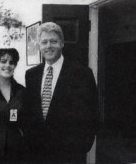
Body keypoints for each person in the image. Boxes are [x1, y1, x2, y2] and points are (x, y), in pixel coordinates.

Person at [22, 22, 99, 163]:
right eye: (44, 42)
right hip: (37, 154)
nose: (48, 46)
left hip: (70, 155)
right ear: (39, 45)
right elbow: (29, 113)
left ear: (62, 43)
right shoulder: (31, 75)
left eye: (53, 41)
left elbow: (93, 113)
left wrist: (82, 147)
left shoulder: (82, 74)